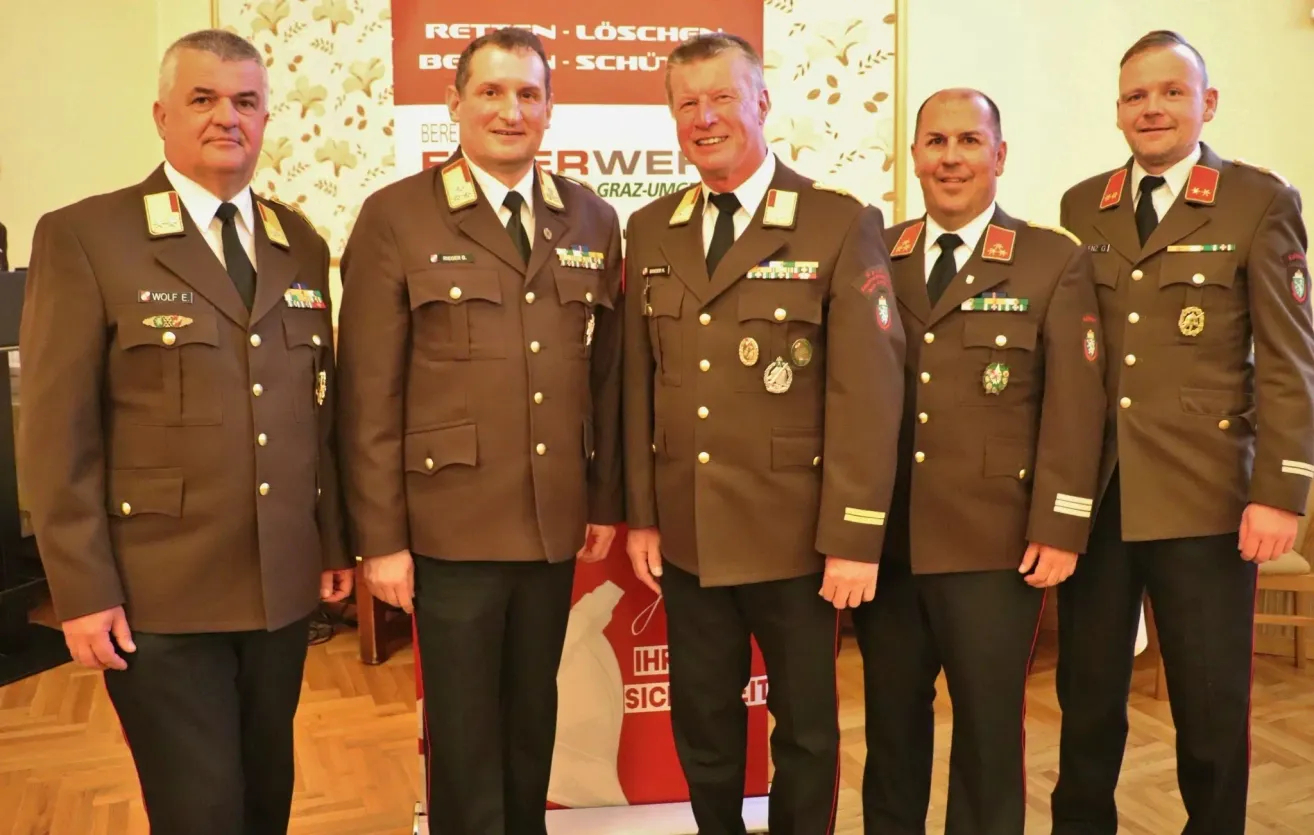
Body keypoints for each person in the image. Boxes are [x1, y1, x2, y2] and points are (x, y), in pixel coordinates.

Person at [16, 29, 351, 835]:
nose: (225, 118)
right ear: (162, 115)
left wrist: (332, 543)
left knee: (265, 793)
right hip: (158, 591)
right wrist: (82, 590)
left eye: (245, 102)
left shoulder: (296, 241)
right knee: (200, 809)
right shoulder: (88, 236)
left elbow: (317, 414)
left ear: (268, 117)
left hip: (278, 585)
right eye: (202, 99)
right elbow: (56, 432)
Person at [335, 27, 623, 835]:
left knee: (534, 717)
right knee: (463, 734)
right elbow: (366, 393)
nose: (510, 109)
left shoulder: (592, 218)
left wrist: (600, 497)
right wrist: (379, 539)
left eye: (528, 94)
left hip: (551, 523)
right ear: (454, 104)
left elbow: (605, 378)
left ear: (550, 109)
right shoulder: (396, 216)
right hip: (448, 524)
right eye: (491, 92)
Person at [622, 32, 905, 835]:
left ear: (762, 103)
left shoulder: (835, 221)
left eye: (721, 97)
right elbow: (637, 384)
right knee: (704, 719)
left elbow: (869, 390)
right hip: (689, 532)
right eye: (687, 103)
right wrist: (643, 512)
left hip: (797, 536)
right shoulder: (650, 228)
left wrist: (854, 534)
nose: (705, 117)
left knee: (807, 729)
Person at [1051, 30, 1314, 835]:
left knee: (1209, 705)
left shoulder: (1258, 201)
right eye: (1136, 95)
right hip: (1097, 496)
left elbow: (1290, 358)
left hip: (1207, 498)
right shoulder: (1081, 205)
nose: (1153, 107)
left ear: (1207, 103)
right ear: (1118, 110)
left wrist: (1280, 491)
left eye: (1171, 91)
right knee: (1087, 697)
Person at [850, 88, 1105, 835]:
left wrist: (1061, 525)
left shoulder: (1051, 257)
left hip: (995, 544)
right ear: (915, 155)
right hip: (889, 543)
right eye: (935, 142)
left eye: (968, 141)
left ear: (999, 155)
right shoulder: (876, 255)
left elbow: (1076, 403)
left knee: (991, 732)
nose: (951, 157)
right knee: (891, 731)